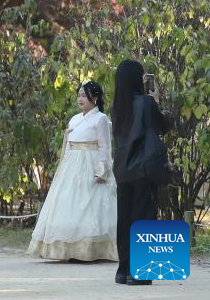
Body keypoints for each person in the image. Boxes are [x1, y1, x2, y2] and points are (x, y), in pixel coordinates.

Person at [28, 82, 117, 261]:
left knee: (91, 206)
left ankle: (92, 249)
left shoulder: (100, 119)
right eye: (79, 95)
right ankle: (67, 249)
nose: (80, 99)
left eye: (84, 95)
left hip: (91, 164)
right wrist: (63, 167)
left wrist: (103, 169)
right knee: (68, 204)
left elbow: (105, 146)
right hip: (72, 165)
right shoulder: (74, 119)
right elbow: (68, 145)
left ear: (95, 98)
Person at [111, 60, 173, 286]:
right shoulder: (146, 103)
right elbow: (163, 125)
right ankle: (140, 273)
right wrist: (156, 101)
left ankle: (123, 270)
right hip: (143, 168)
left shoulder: (116, 107)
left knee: (125, 219)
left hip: (122, 170)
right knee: (143, 218)